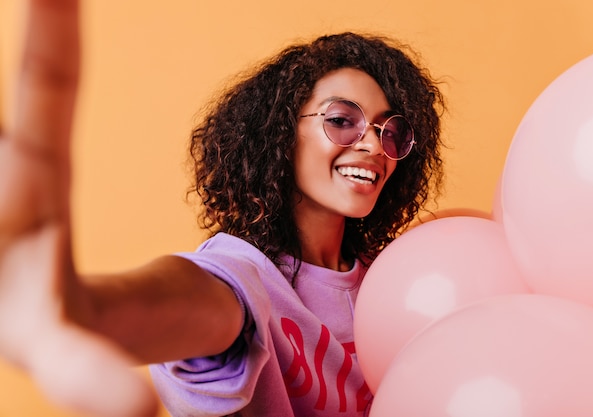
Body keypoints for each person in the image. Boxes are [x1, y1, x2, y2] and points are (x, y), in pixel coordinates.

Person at [0, 1, 444, 416]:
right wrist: (84, 310)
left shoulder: (400, 279)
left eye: (390, 131)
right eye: (342, 120)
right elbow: (193, 302)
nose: (372, 144)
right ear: (280, 135)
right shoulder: (245, 278)